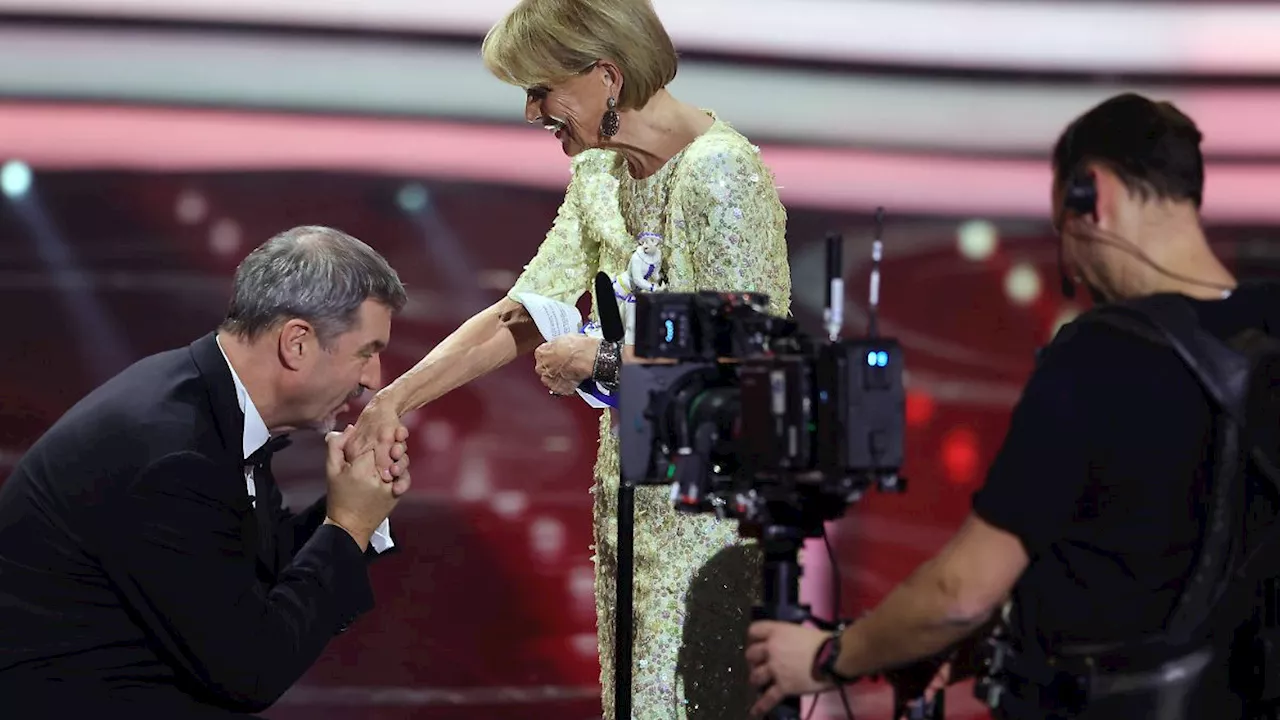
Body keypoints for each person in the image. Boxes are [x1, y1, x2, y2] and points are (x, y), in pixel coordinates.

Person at [744, 93, 1280, 718]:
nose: (1074, 271)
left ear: (1090, 194)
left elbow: (959, 592)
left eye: (1064, 234)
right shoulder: (1270, 331)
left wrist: (826, 657)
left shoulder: (1101, 352)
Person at [348, 0, 790, 716]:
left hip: (710, 519)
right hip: (626, 504)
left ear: (607, 77)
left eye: (541, 90)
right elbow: (520, 313)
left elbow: (754, 357)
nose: (532, 113)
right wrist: (393, 400)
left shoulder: (721, 172)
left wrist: (606, 359)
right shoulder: (600, 178)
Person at [0, 226, 413, 717]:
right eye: (367, 352)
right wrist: (349, 526)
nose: (373, 379)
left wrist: (354, 505)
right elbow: (252, 669)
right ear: (297, 343)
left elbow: (256, 567)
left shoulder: (208, 403)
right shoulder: (174, 457)